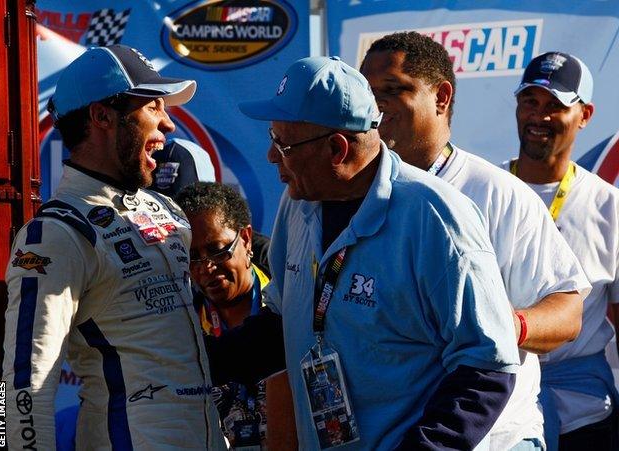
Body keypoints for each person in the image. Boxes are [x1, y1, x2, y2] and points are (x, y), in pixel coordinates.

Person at [238, 55, 521, 450]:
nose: (271, 156)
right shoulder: (299, 203)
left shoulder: (434, 217)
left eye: (282, 144)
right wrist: (189, 360)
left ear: (337, 149)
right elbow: (281, 325)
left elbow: (488, 367)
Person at [360, 32, 591, 450]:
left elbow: (567, 310)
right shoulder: (344, 191)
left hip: (494, 439)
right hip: (380, 436)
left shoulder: (498, 193)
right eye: (369, 92)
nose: (377, 105)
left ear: (442, 97)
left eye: (393, 90)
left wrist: (503, 325)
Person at [2, 45, 226, 450]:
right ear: (102, 116)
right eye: (154, 106)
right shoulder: (56, 233)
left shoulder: (167, 210)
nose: (169, 125)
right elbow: (23, 382)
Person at [506, 51, 619, 451]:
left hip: (585, 413)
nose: (539, 116)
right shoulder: (482, 191)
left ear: (585, 115)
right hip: (500, 410)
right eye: (530, 102)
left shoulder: (609, 205)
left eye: (556, 105)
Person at [175, 181, 271, 448]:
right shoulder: (182, 325)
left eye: (218, 250)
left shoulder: (288, 305)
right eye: (193, 256)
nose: (206, 268)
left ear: (246, 239)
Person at [151, 138, 272, 277]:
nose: (174, 219)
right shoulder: (148, 258)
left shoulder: (268, 257)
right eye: (159, 207)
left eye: (189, 205)